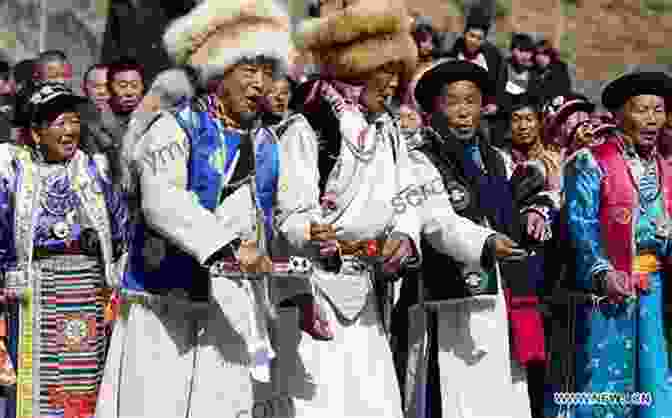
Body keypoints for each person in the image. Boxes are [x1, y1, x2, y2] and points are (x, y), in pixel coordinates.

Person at [95, 0, 299, 417]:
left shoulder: (267, 142)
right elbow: (162, 200)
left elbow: (286, 211)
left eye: (266, 71)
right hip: (165, 299)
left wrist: (311, 233)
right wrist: (227, 246)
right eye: (248, 70)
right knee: (155, 402)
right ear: (218, 71)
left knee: (223, 405)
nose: (260, 84)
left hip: (232, 305)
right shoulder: (175, 126)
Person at [404, 60, 558, 418]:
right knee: (457, 396)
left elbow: (535, 192)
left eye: (470, 101)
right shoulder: (419, 160)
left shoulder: (497, 159)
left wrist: (537, 212)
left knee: (502, 397)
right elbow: (437, 221)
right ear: (434, 109)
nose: (463, 112)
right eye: (452, 102)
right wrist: (487, 242)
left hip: (502, 297)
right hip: (449, 303)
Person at [0, 82, 127, 418]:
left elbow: (119, 227)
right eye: (59, 123)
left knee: (82, 388)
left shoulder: (92, 169)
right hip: (33, 296)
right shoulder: (10, 169)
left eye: (74, 121)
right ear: (36, 132)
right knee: (32, 385)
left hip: (86, 294)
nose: (70, 130)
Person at [562, 71, 672, 418]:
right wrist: (603, 272)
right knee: (605, 380)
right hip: (608, 290)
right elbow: (581, 227)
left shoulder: (665, 168)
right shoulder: (592, 161)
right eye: (642, 109)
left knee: (654, 377)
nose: (652, 119)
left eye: (659, 110)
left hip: (653, 288)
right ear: (619, 115)